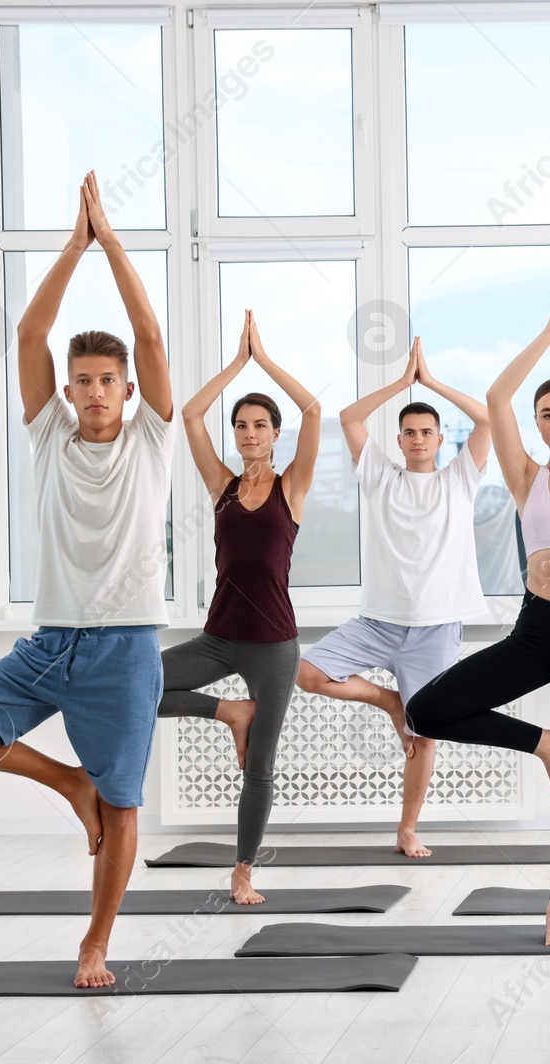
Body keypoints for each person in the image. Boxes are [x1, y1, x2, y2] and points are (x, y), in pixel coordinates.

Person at [0, 172, 175, 988]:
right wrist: (74, 245)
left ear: (127, 390)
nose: (95, 391)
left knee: (125, 805)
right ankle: (68, 784)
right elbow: (30, 334)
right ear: (68, 391)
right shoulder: (48, 437)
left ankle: (95, 941)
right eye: (83, 381)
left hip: (126, 648)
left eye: (108, 381)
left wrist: (116, 245)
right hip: (50, 643)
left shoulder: (152, 441)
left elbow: (151, 334)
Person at [407, 272, 550, 947]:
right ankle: (545, 743)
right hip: (538, 629)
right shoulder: (524, 475)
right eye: (549, 414)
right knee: (427, 710)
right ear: (538, 425)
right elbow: (496, 396)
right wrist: (547, 333)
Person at [296, 336, 491, 858]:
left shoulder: (460, 480)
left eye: (427, 431)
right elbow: (348, 418)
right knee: (307, 672)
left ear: (439, 437)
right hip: (379, 620)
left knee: (426, 731)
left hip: (436, 624)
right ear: (400, 441)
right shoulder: (380, 477)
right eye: (409, 433)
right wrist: (402, 384)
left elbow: (489, 420)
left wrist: (432, 384)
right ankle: (390, 702)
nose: (418, 439)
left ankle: (407, 829)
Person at [157, 310, 319, 903]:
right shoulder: (222, 486)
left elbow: (315, 412)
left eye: (260, 425)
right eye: (242, 426)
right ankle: (229, 713)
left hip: (275, 645)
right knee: (139, 685)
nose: (249, 434)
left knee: (260, 767)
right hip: (219, 636)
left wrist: (266, 360)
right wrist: (236, 363)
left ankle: (243, 870)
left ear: (276, 434)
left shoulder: (291, 487)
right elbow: (191, 415)